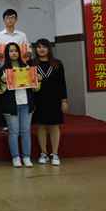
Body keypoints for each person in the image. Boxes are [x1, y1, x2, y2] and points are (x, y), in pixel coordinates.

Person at [0, 42, 37, 168]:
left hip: (26, 103)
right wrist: (3, 81)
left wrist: (37, 80)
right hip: (11, 105)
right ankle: (15, 157)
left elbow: (35, 88)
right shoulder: (2, 69)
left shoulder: (27, 67)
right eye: (11, 51)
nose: (13, 53)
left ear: (19, 53)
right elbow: (0, 91)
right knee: (13, 132)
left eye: (15, 51)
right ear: (7, 54)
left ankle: (26, 157)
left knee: (26, 131)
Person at [33, 38, 69, 166]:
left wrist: (64, 100)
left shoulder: (57, 63)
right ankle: (43, 153)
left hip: (54, 99)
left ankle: (55, 154)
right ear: (36, 49)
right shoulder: (32, 64)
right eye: (39, 47)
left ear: (49, 49)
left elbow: (62, 83)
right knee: (41, 126)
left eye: (44, 47)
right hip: (38, 99)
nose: (41, 49)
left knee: (54, 126)